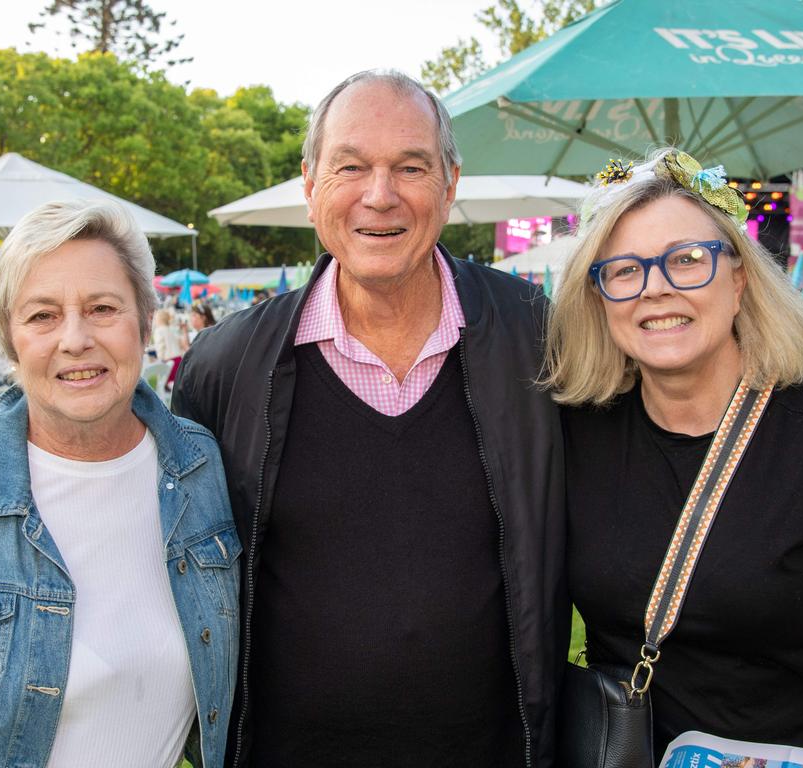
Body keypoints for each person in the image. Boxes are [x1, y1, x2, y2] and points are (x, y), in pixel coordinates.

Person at [173, 70, 567, 768]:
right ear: (311, 183)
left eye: (410, 167)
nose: (379, 196)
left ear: (449, 185)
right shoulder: (223, 365)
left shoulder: (539, 341)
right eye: (351, 166)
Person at [0, 200, 240, 767]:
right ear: (11, 340)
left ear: (144, 321)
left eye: (102, 308)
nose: (75, 338)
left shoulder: (201, 470)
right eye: (42, 315)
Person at [544, 148, 803, 765]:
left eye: (687, 260)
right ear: (598, 296)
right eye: (623, 270)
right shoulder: (575, 435)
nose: (656, 288)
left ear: (739, 278)